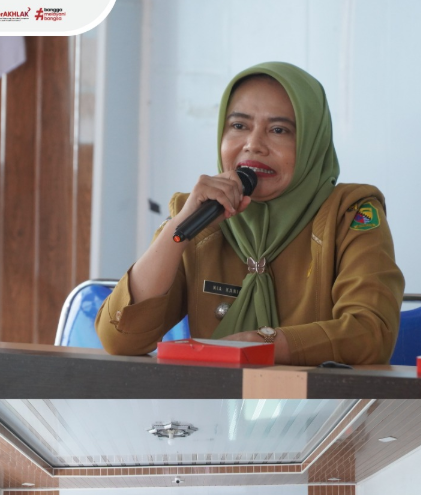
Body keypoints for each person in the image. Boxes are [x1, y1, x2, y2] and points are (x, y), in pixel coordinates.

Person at [95, 61, 404, 366]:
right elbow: (120, 339)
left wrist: (264, 344)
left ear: (312, 142)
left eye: (279, 130)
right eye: (239, 126)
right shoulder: (201, 216)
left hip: (320, 409)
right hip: (212, 408)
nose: (253, 145)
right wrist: (177, 231)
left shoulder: (350, 214)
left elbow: (371, 332)